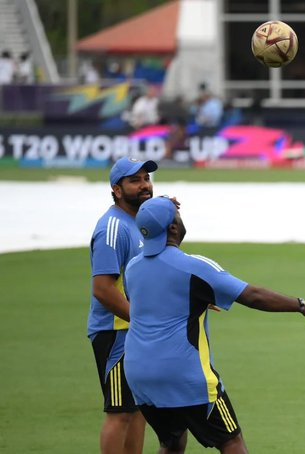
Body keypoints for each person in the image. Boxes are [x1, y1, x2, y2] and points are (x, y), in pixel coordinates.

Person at [123, 196, 305, 453]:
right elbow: (252, 296)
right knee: (231, 442)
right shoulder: (195, 266)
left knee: (171, 441)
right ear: (173, 228)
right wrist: (301, 305)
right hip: (185, 375)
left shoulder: (133, 267)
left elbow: (154, 302)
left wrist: (197, 300)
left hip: (140, 375)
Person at [88, 157, 160, 454]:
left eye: (146, 178)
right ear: (117, 190)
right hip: (117, 333)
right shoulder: (113, 229)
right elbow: (103, 290)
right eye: (135, 180)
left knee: (140, 409)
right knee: (120, 412)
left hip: (135, 331)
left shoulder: (138, 223)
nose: (144, 185)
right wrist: (142, 322)